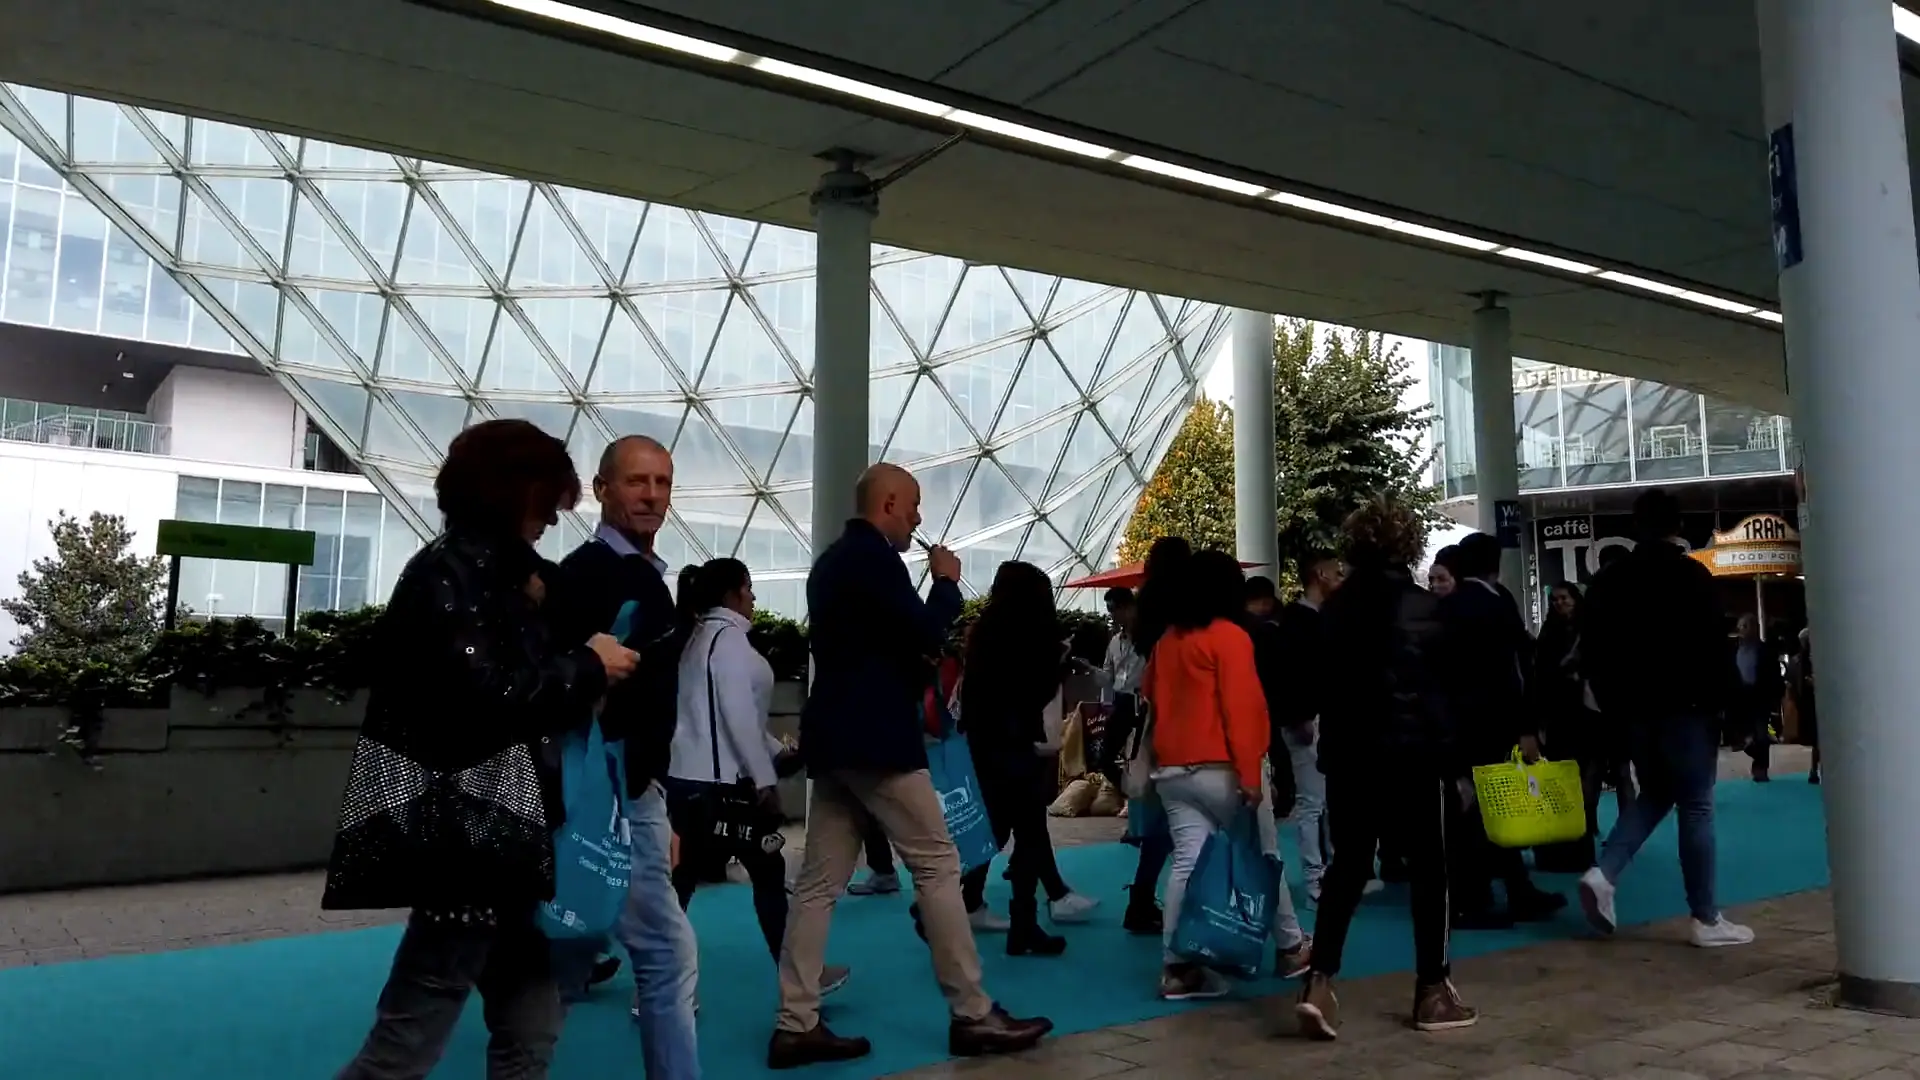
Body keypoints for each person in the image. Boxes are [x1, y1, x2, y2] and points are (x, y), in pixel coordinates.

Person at [325, 419, 639, 1080]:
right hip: (470, 842)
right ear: (514, 492)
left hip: (505, 843)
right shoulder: (451, 576)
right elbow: (482, 697)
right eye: (547, 501)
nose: (554, 519)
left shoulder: (491, 576)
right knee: (413, 1032)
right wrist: (586, 667)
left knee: (531, 1019)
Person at [768, 463, 1051, 1069]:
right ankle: (973, 1012)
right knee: (938, 864)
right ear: (890, 502)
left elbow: (881, 639)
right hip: (876, 739)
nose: (919, 520)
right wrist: (945, 583)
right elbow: (924, 629)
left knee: (819, 882)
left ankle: (796, 1020)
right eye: (915, 506)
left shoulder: (833, 564)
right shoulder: (874, 561)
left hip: (836, 737)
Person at [1298, 495, 1475, 1039]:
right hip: (1415, 756)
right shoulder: (1425, 608)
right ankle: (1432, 990)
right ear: (1406, 544)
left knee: (1348, 865)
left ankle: (1319, 980)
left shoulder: (1334, 610)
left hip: (1352, 756)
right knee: (1430, 870)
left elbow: (1320, 688)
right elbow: (1443, 695)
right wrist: (1457, 762)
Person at [551, 434, 700, 1078]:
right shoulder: (596, 578)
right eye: (638, 482)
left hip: (622, 788)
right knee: (666, 950)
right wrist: (641, 801)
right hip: (607, 790)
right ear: (602, 489)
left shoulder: (623, 575)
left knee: (561, 945)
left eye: (662, 482)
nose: (652, 496)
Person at [1579, 488, 1754, 949]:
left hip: (1635, 711)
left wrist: (1613, 705)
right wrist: (1737, 711)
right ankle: (1706, 917)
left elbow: (1593, 649)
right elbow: (1718, 649)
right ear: (1678, 526)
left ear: (1636, 528)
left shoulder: (1610, 579)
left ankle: (1604, 872)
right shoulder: (1692, 577)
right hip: (1689, 708)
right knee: (1696, 804)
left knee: (1656, 792)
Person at [665, 558, 850, 995]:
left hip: (691, 783)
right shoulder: (726, 643)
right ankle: (803, 976)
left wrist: (777, 753)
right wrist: (766, 778)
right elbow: (737, 718)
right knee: (764, 876)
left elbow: (729, 719)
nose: (753, 596)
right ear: (731, 594)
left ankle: (656, 987)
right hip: (723, 788)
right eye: (748, 588)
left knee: (682, 886)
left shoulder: (698, 640)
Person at [1145, 549, 1308, 1000]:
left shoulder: (1167, 640)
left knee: (1186, 863)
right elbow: (1244, 709)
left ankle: (1178, 969)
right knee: (1263, 856)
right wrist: (1252, 775)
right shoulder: (1230, 637)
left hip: (1173, 771)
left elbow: (1150, 695)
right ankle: (1293, 947)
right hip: (1224, 770)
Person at [956, 560, 1097, 955]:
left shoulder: (983, 637)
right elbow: (1034, 696)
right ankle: (1018, 923)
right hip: (1019, 751)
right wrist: (1054, 665)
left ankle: (1010, 919)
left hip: (985, 750)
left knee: (1008, 833)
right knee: (1027, 836)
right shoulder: (1028, 641)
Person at [1440, 532, 1563, 929]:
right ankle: (1481, 898)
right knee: (1492, 810)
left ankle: (1499, 891)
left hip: (1460, 725)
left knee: (1473, 810)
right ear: (1495, 563)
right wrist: (1527, 726)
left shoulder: (1451, 606)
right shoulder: (1498, 602)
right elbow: (1517, 670)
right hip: (1496, 723)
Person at [1080, 585, 1166, 934]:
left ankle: (1136, 812)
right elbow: (1110, 675)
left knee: (1140, 764)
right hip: (1121, 703)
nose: (1115, 614)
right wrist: (1089, 670)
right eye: (1111, 608)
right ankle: (1133, 800)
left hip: (1141, 704)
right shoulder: (1116, 642)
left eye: (1118, 607)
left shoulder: (1151, 641)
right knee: (1103, 759)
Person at [1529, 582, 1631, 873]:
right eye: (1556, 599)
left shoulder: (1590, 631)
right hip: (1564, 718)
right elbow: (1541, 676)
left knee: (1591, 778)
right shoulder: (1549, 635)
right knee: (1567, 784)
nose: (1560, 604)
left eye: (1565, 598)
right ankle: (1570, 846)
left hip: (1592, 716)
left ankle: (1590, 840)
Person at [1260, 551, 1344, 902]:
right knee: (1313, 802)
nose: (1341, 579)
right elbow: (1293, 675)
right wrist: (1301, 717)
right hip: (1307, 722)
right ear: (1320, 574)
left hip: (1317, 720)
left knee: (1321, 801)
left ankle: (1324, 873)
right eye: (1336, 573)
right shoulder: (1300, 621)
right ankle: (1315, 878)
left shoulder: (1310, 618)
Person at [1729, 613, 1784, 782]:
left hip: (1759, 697)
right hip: (1740, 697)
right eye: (1740, 626)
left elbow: (1774, 675)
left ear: (1754, 628)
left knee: (1761, 734)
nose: (1742, 630)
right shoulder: (1734, 649)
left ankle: (1761, 768)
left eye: (1745, 626)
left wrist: (1775, 697)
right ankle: (1754, 753)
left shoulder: (1765, 650)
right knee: (1740, 736)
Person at [1787, 628, 1819, 784]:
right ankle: (1814, 770)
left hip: (1808, 704)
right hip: (1812, 704)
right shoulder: (1806, 660)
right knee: (1818, 741)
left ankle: (1814, 770)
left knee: (1817, 741)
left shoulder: (1797, 660)